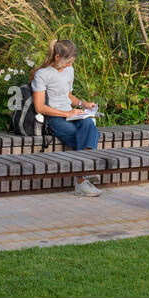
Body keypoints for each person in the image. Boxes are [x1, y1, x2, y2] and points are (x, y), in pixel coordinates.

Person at [30, 38, 103, 195]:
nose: (70, 65)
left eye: (71, 62)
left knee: (89, 125)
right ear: (57, 57)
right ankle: (83, 178)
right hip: (54, 117)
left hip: (71, 114)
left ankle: (83, 177)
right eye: (67, 62)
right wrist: (66, 113)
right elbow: (40, 106)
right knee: (84, 135)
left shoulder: (69, 70)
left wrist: (84, 104)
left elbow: (68, 96)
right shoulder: (42, 75)